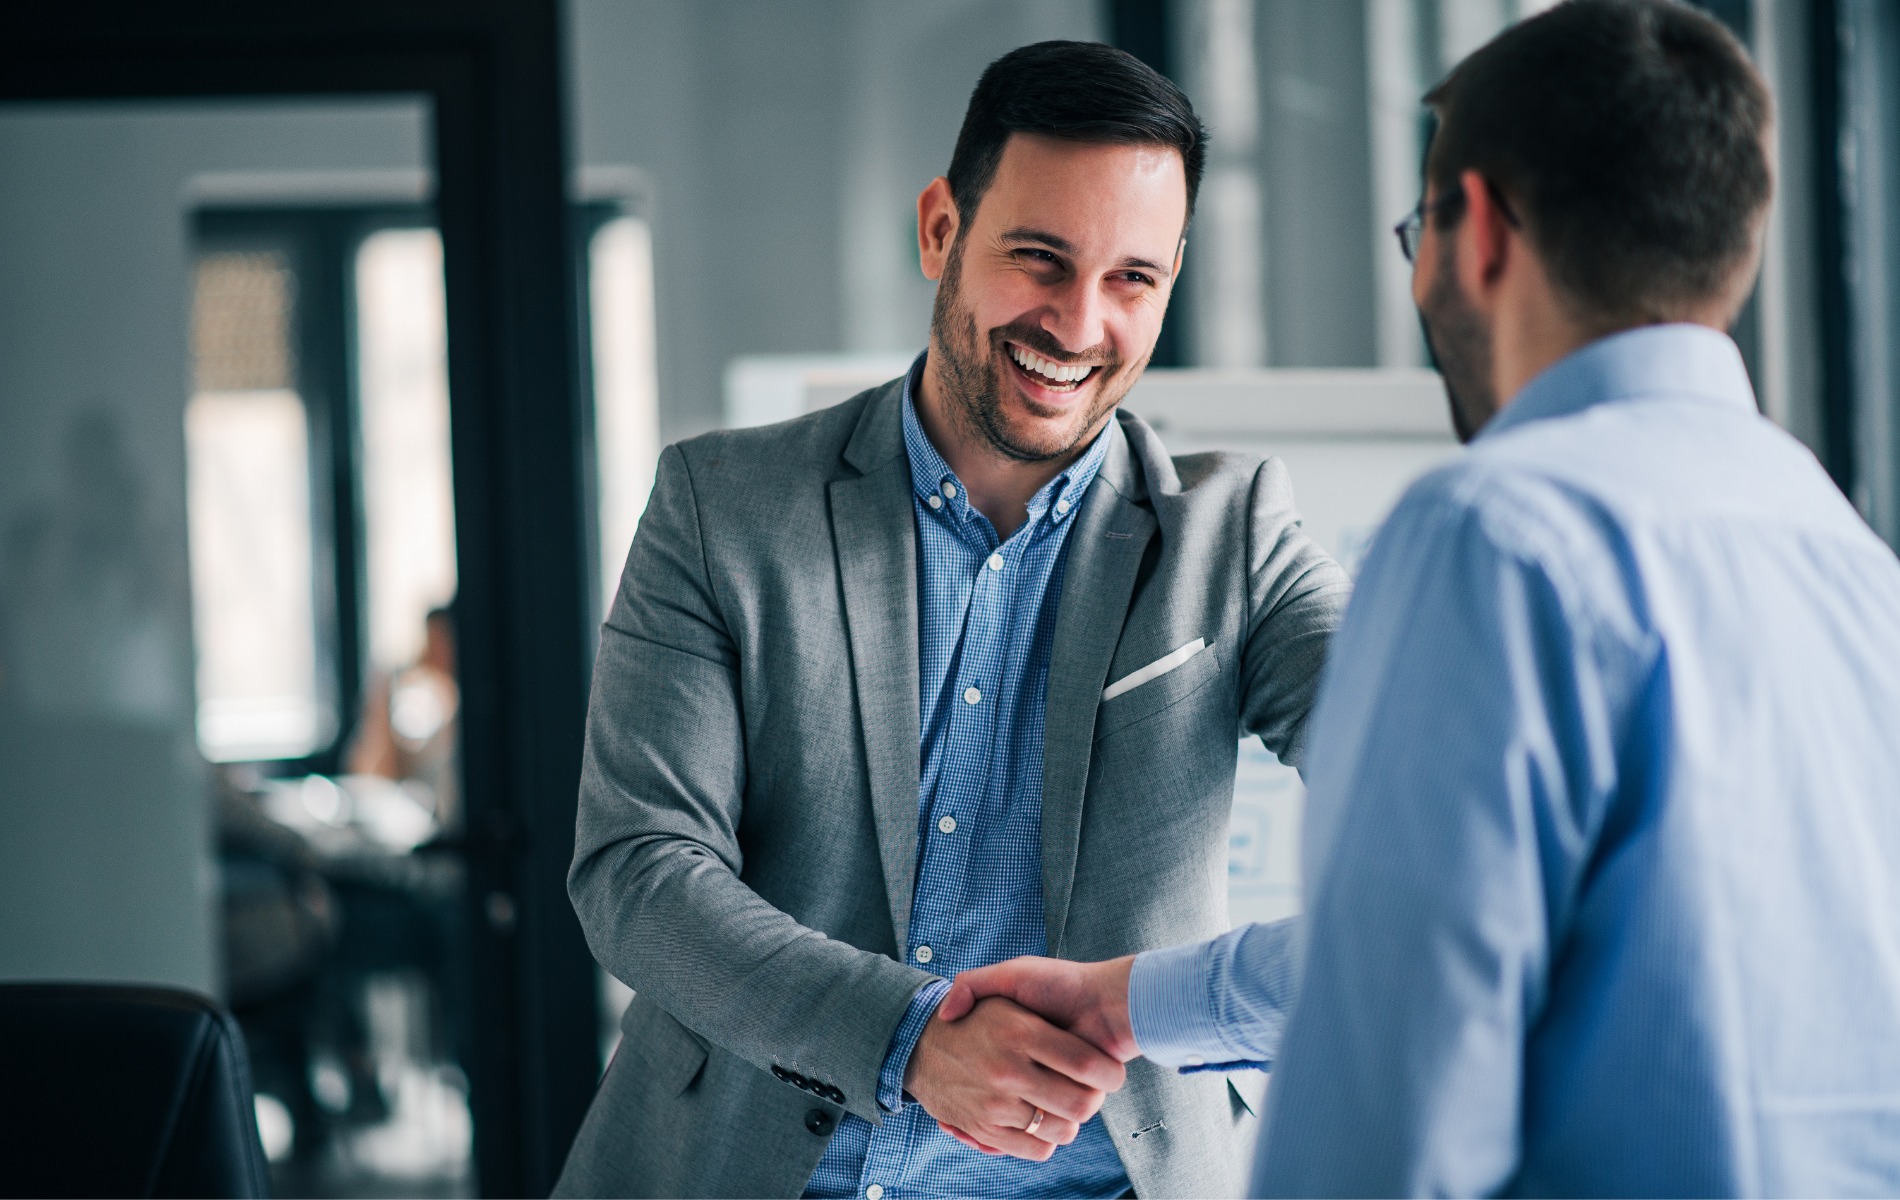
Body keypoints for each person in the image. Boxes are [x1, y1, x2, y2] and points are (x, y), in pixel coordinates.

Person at [940, 1, 1900, 1195]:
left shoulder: (1496, 536)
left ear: (1479, 230)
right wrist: (1131, 1002)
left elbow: (1390, 1070)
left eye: (1418, 231)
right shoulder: (1848, 560)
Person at [555, 40, 1351, 1200]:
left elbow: (1436, 809)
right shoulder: (721, 508)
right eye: (1039, 258)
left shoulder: (1233, 539)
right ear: (941, 230)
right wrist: (908, 1038)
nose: (1078, 325)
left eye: (1133, 279)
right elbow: (637, 871)